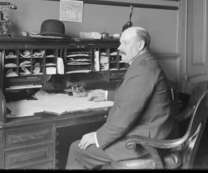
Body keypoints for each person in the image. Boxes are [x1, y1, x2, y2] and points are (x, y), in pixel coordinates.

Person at [65, 26, 175, 169]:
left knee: (77, 150)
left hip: (144, 141)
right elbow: (135, 94)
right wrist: (105, 95)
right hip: (150, 132)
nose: (119, 48)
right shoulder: (144, 62)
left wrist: (98, 137)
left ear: (140, 45)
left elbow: (126, 116)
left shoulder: (143, 69)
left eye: (124, 43)